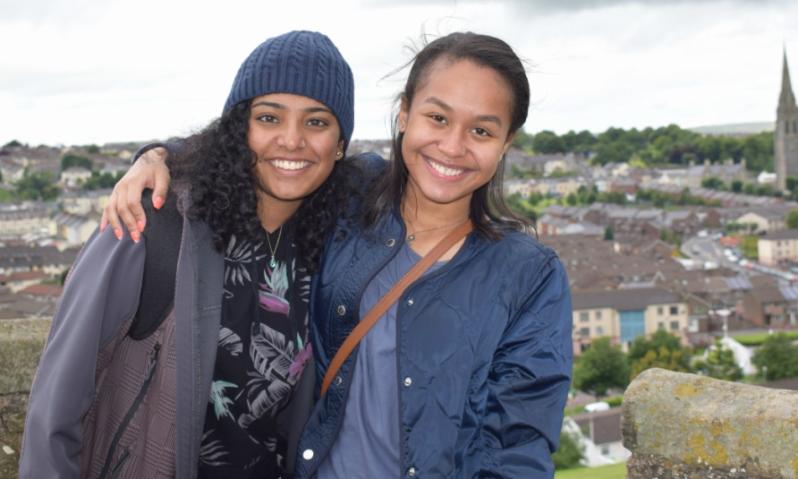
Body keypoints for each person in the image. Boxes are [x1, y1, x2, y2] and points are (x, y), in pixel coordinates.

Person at [104, 32, 573, 478]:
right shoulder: (350, 199)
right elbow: (263, 152)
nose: (452, 146)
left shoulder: (529, 276)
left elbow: (518, 442)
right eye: (438, 118)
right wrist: (157, 157)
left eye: (482, 131)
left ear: (507, 142)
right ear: (404, 113)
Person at [20, 30, 356, 479]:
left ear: (340, 142)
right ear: (239, 128)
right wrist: (159, 156)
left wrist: (160, 151)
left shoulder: (334, 241)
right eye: (269, 118)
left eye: (316, 122)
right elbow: (53, 410)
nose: (292, 140)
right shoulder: (155, 220)